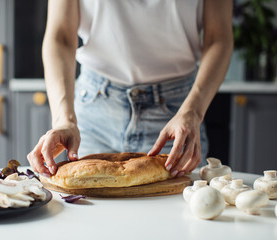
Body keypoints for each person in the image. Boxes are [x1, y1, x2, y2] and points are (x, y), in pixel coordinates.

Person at [27, 0, 233, 178]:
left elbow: (219, 39)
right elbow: (60, 36)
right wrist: (64, 120)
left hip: (177, 115)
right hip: (94, 111)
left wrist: (192, 112)